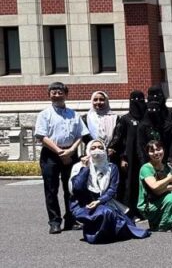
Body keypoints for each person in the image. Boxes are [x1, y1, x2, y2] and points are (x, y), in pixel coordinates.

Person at [69, 140, 150, 244]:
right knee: (106, 212)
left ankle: (107, 233)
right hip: (84, 203)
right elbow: (77, 188)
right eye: (93, 148)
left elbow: (112, 189)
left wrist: (99, 201)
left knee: (126, 225)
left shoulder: (111, 167)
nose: (97, 150)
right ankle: (95, 235)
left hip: (104, 201)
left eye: (100, 147)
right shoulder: (78, 166)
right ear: (87, 151)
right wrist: (85, 168)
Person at [36, 82, 86, 234]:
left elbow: (80, 135)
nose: (57, 95)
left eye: (60, 92)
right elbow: (41, 136)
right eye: (53, 92)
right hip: (51, 155)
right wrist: (59, 152)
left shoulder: (74, 114)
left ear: (66, 94)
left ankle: (71, 219)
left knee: (71, 189)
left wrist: (70, 150)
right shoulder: (44, 114)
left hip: (71, 153)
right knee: (51, 189)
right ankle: (54, 221)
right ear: (49, 95)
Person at [138, 140, 172, 231]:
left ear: (163, 150)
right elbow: (154, 187)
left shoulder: (167, 167)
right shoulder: (145, 168)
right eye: (152, 151)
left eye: (158, 149)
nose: (156, 153)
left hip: (164, 198)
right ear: (147, 153)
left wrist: (164, 189)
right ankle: (162, 226)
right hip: (150, 204)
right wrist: (168, 179)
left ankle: (166, 221)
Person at [111, 90, 147, 219]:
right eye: (135, 100)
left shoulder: (147, 118)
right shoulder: (125, 119)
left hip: (146, 157)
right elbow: (119, 140)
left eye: (141, 100)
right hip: (130, 159)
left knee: (144, 183)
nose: (138, 103)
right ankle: (129, 212)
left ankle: (143, 210)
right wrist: (122, 158)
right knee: (129, 185)